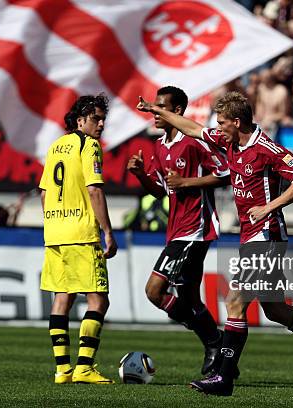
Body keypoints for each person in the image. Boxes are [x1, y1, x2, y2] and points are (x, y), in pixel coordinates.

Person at [137, 91, 293, 396]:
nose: (218, 128)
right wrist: (153, 108)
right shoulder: (229, 141)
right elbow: (192, 128)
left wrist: (270, 207)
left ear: (237, 122)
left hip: (266, 233)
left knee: (235, 302)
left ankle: (223, 378)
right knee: (276, 311)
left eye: (223, 122)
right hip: (252, 235)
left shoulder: (265, 148)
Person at [127, 86, 230, 376]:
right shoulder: (160, 146)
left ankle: (214, 341)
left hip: (195, 228)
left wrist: (187, 183)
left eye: (161, 107)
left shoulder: (194, 142)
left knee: (154, 291)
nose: (154, 113)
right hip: (176, 230)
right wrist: (140, 175)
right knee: (188, 299)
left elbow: (225, 174)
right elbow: (161, 191)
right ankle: (218, 346)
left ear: (178, 111)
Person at [39, 94, 117, 385]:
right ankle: (83, 367)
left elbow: (45, 193)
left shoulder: (55, 146)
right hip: (81, 234)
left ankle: (62, 370)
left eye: (102, 119)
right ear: (80, 120)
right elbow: (95, 190)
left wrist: (55, 223)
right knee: (98, 299)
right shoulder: (90, 145)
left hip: (55, 233)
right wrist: (107, 231)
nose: (101, 124)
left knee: (62, 298)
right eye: (96, 118)